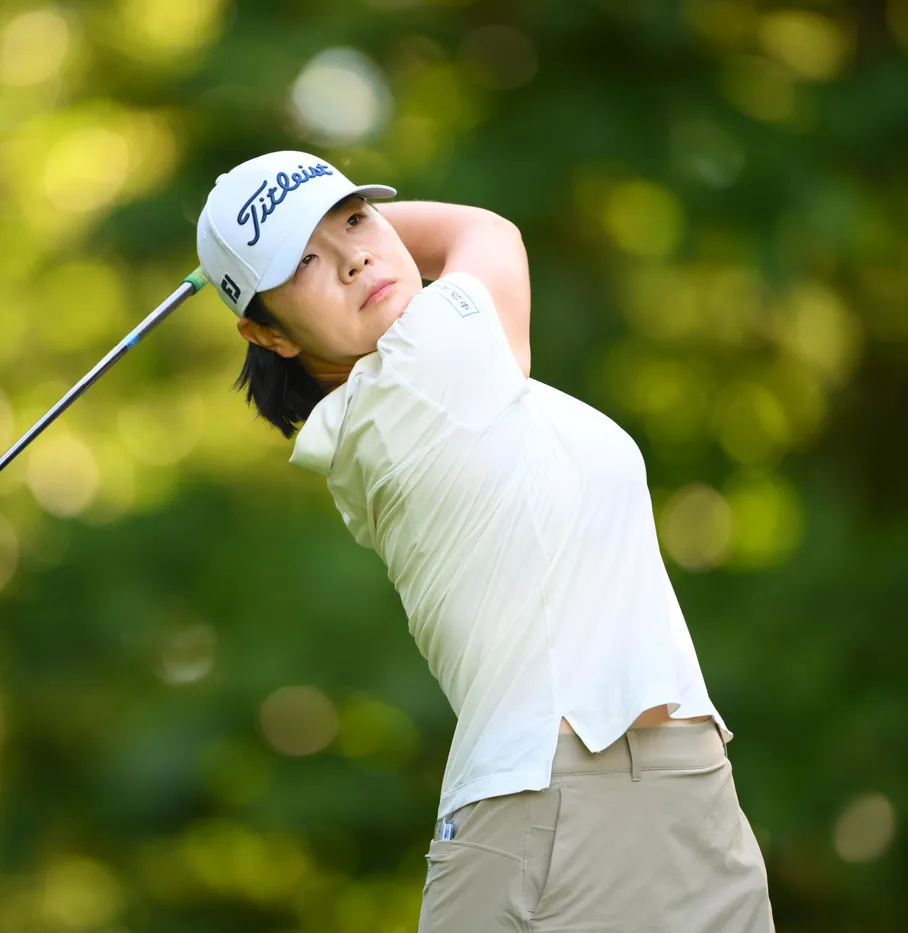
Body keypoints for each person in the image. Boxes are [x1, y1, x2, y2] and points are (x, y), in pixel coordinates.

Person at [195, 150, 774, 932]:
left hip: (681, 793)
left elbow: (423, 249)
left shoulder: (440, 383)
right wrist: (316, 229)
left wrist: (286, 246)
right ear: (268, 335)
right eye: (303, 263)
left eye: (357, 220)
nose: (355, 258)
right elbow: (482, 230)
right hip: (557, 804)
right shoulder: (424, 368)